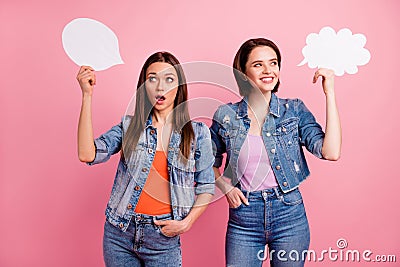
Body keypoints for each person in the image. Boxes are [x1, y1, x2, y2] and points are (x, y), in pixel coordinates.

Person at [210, 38, 341, 267]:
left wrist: (329, 92)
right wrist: (225, 186)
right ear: (243, 72)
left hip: (289, 214)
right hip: (244, 218)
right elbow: (206, 161)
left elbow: (330, 152)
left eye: (273, 63)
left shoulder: (294, 111)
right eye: (258, 64)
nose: (268, 70)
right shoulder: (225, 115)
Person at [77, 51, 215, 267]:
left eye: (169, 79)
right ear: (144, 86)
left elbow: (207, 185)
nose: (160, 87)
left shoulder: (197, 133)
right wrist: (87, 95)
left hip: (163, 237)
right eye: (152, 79)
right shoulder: (129, 126)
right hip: (119, 233)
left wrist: (186, 224)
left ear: (179, 87)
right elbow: (88, 154)